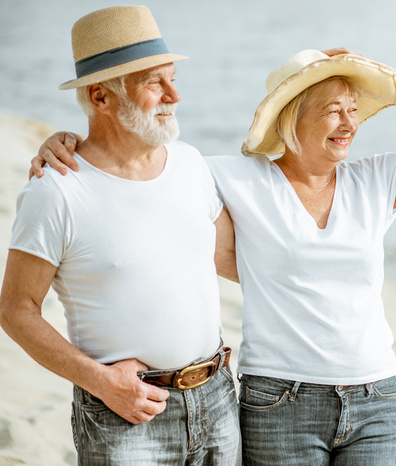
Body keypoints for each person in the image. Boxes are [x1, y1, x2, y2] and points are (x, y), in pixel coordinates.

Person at [33, 48, 396, 465]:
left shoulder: (375, 181)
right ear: (292, 117)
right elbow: (135, 161)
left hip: (377, 400)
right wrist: (68, 142)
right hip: (281, 401)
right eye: (333, 110)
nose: (349, 123)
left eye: (354, 109)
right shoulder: (232, 177)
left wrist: (390, 77)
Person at [0, 6, 241, 465]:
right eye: (155, 83)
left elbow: (234, 258)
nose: (175, 95)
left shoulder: (190, 163)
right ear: (101, 97)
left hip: (217, 398)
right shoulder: (54, 192)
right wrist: (103, 382)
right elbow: (16, 310)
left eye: (172, 78)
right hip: (125, 414)